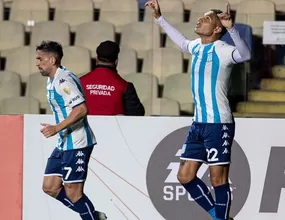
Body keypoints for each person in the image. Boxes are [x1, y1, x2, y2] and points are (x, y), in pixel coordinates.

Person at [145, 1, 251, 220]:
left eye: (207, 19)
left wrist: (232, 28)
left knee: (217, 180)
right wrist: (159, 18)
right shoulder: (196, 46)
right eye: (201, 17)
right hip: (198, 124)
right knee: (184, 176)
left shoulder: (223, 50)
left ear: (217, 29)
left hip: (218, 123)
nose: (200, 19)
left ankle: (220, 218)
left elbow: (244, 55)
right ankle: (217, 215)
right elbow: (182, 42)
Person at [37, 40, 107, 220]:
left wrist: (56, 128)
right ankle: (92, 215)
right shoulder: (52, 80)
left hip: (77, 142)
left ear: (52, 60)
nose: (37, 63)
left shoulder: (63, 81)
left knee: (74, 194)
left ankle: (90, 216)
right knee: (50, 187)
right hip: (64, 142)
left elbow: (82, 109)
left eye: (40, 59)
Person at [80, 40, 145, 116]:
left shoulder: (80, 82)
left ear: (97, 59)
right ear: (116, 62)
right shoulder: (125, 86)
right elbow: (137, 115)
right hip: (113, 128)